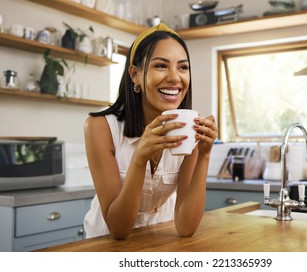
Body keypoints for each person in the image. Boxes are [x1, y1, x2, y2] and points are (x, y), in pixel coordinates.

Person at [83, 23, 217, 240]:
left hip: (158, 240)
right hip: (104, 245)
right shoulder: (99, 127)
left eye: (183, 67)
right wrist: (140, 158)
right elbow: (118, 229)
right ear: (135, 75)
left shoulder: (188, 130)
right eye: (161, 66)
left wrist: (204, 154)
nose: (175, 77)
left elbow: (185, 227)